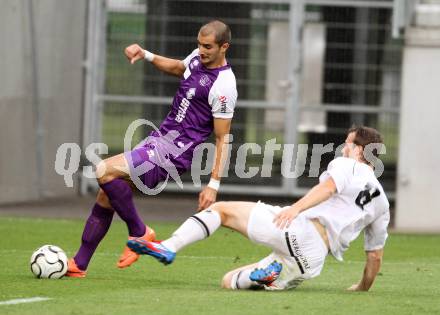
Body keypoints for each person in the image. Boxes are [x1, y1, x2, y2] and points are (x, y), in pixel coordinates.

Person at [66, 20, 237, 277]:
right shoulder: (198, 60)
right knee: (107, 195)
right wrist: (145, 54)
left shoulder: (224, 85)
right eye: (199, 45)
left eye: (208, 47)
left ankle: (140, 232)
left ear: (224, 47)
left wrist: (213, 185)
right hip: (159, 140)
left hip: (174, 152)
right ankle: (79, 264)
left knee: (104, 170)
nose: (201, 51)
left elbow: (223, 138)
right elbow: (181, 67)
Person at [128, 126, 390, 291]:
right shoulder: (382, 203)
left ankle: (169, 247)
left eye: (348, 143)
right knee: (229, 281)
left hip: (298, 229)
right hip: (313, 259)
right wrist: (362, 288)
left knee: (220, 210)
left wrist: (295, 209)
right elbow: (375, 256)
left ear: (359, 150)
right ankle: (268, 276)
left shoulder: (347, 164)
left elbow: (328, 188)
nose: (343, 148)